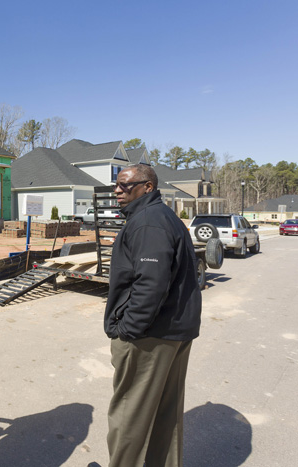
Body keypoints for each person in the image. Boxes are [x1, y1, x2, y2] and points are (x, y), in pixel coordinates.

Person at [104, 164, 202, 467]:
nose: (118, 191)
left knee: (129, 415)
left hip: (151, 336)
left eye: (125, 185)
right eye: (116, 185)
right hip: (174, 330)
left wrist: (128, 328)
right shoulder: (159, 217)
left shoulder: (148, 222)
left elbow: (151, 282)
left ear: (148, 187)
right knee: (164, 414)